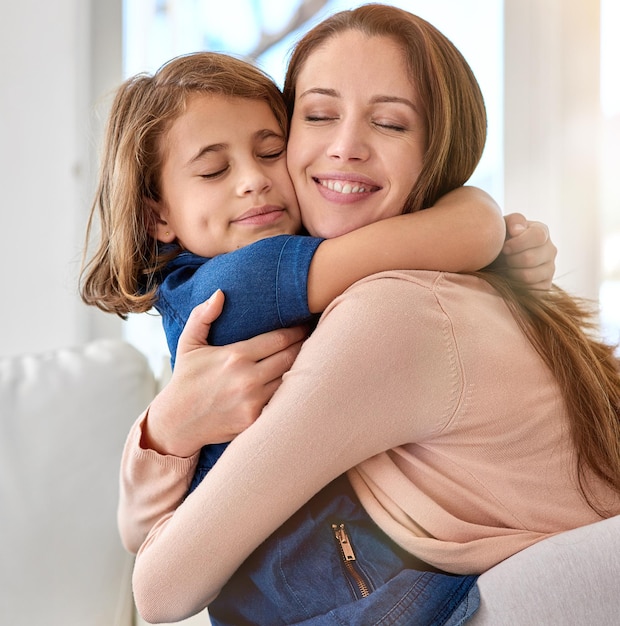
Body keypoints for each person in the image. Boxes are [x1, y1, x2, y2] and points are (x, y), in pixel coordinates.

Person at [115, 6, 592, 625]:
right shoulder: (254, 280)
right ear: (159, 214)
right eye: (316, 115)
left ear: (440, 147)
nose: (344, 147)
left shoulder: (389, 314)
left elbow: (153, 566)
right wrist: (482, 221)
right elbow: (150, 561)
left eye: (390, 123)